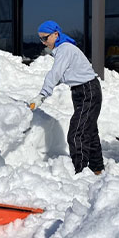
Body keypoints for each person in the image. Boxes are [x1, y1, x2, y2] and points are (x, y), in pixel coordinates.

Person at [29, 20, 104, 175]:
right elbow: (61, 75)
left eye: (45, 38)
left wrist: (42, 94)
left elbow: (55, 73)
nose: (43, 42)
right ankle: (96, 169)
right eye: (41, 39)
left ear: (56, 34)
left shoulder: (65, 49)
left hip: (87, 91)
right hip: (83, 91)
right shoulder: (63, 49)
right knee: (89, 130)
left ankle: (81, 173)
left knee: (77, 134)